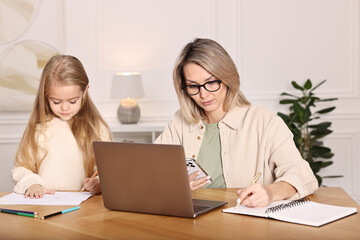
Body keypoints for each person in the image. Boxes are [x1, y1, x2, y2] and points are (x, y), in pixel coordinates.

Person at [155, 38, 318, 207]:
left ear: (227, 78)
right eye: (193, 86)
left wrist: (270, 192)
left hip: (244, 223)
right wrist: (175, 186)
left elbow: (303, 175)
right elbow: (151, 171)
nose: (203, 95)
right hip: (192, 221)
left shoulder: (263, 120)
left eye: (211, 82)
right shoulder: (179, 122)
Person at [12, 55, 112, 199]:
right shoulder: (38, 128)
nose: (65, 108)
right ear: (45, 95)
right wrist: (32, 184)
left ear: (85, 92)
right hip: (43, 205)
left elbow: (107, 169)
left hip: (84, 209)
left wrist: (98, 183)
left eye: (72, 101)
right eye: (56, 101)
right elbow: (21, 167)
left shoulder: (97, 128)